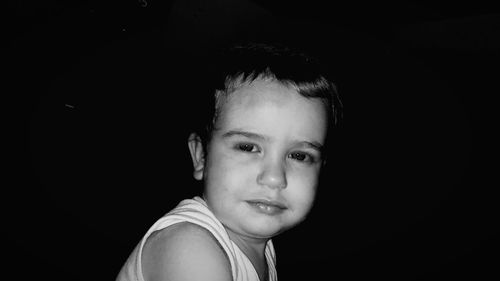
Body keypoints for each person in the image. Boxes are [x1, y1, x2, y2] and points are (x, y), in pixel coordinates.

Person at [116, 42, 342, 281]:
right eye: (248, 147)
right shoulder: (189, 245)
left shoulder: (261, 248)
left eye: (299, 156)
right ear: (201, 156)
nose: (275, 177)